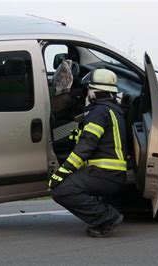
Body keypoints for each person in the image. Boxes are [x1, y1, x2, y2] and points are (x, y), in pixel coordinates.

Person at [49, 68, 127, 238]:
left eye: (89, 89)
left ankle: (107, 218)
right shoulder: (113, 110)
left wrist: (62, 173)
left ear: (95, 92)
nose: (87, 94)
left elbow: (85, 147)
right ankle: (106, 212)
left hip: (105, 173)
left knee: (61, 190)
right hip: (112, 173)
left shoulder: (98, 113)